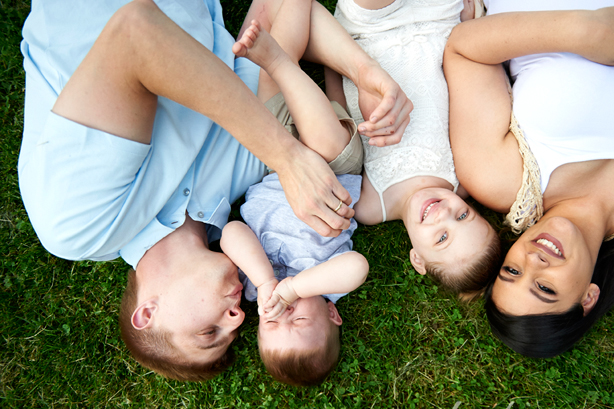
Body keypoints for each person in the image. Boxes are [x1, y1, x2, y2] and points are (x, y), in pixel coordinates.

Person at [18, 0, 410, 380]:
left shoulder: (81, 228)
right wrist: (367, 72)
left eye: (208, 333)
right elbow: (273, 35)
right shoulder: (246, 178)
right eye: (236, 330)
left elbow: (136, 30)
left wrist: (288, 157)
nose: (240, 317)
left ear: (147, 314)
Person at [444, 0, 614, 357]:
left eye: (512, 270)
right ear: (589, 296)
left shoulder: (496, 177)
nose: (534, 261)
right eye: (545, 289)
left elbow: (464, 49)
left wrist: (581, 30)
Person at [219, 8, 368, 386]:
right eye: (298, 319)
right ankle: (284, 63)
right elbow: (357, 267)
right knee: (284, 73)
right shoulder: (328, 285)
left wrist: (267, 280)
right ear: (331, 315)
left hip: (277, 157)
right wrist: (296, 287)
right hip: (333, 162)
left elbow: (231, 232)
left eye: (271, 323)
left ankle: (288, 19)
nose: (283, 311)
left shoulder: (253, 286)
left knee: (270, 80)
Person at [330, 0, 500, 298]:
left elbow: (341, 118)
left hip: (369, 36)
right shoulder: (463, 179)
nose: (442, 213)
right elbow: (465, 100)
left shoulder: (370, 207)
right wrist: (465, 26)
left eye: (442, 237)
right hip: (437, 27)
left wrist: (332, 62)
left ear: (417, 259)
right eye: (463, 216)